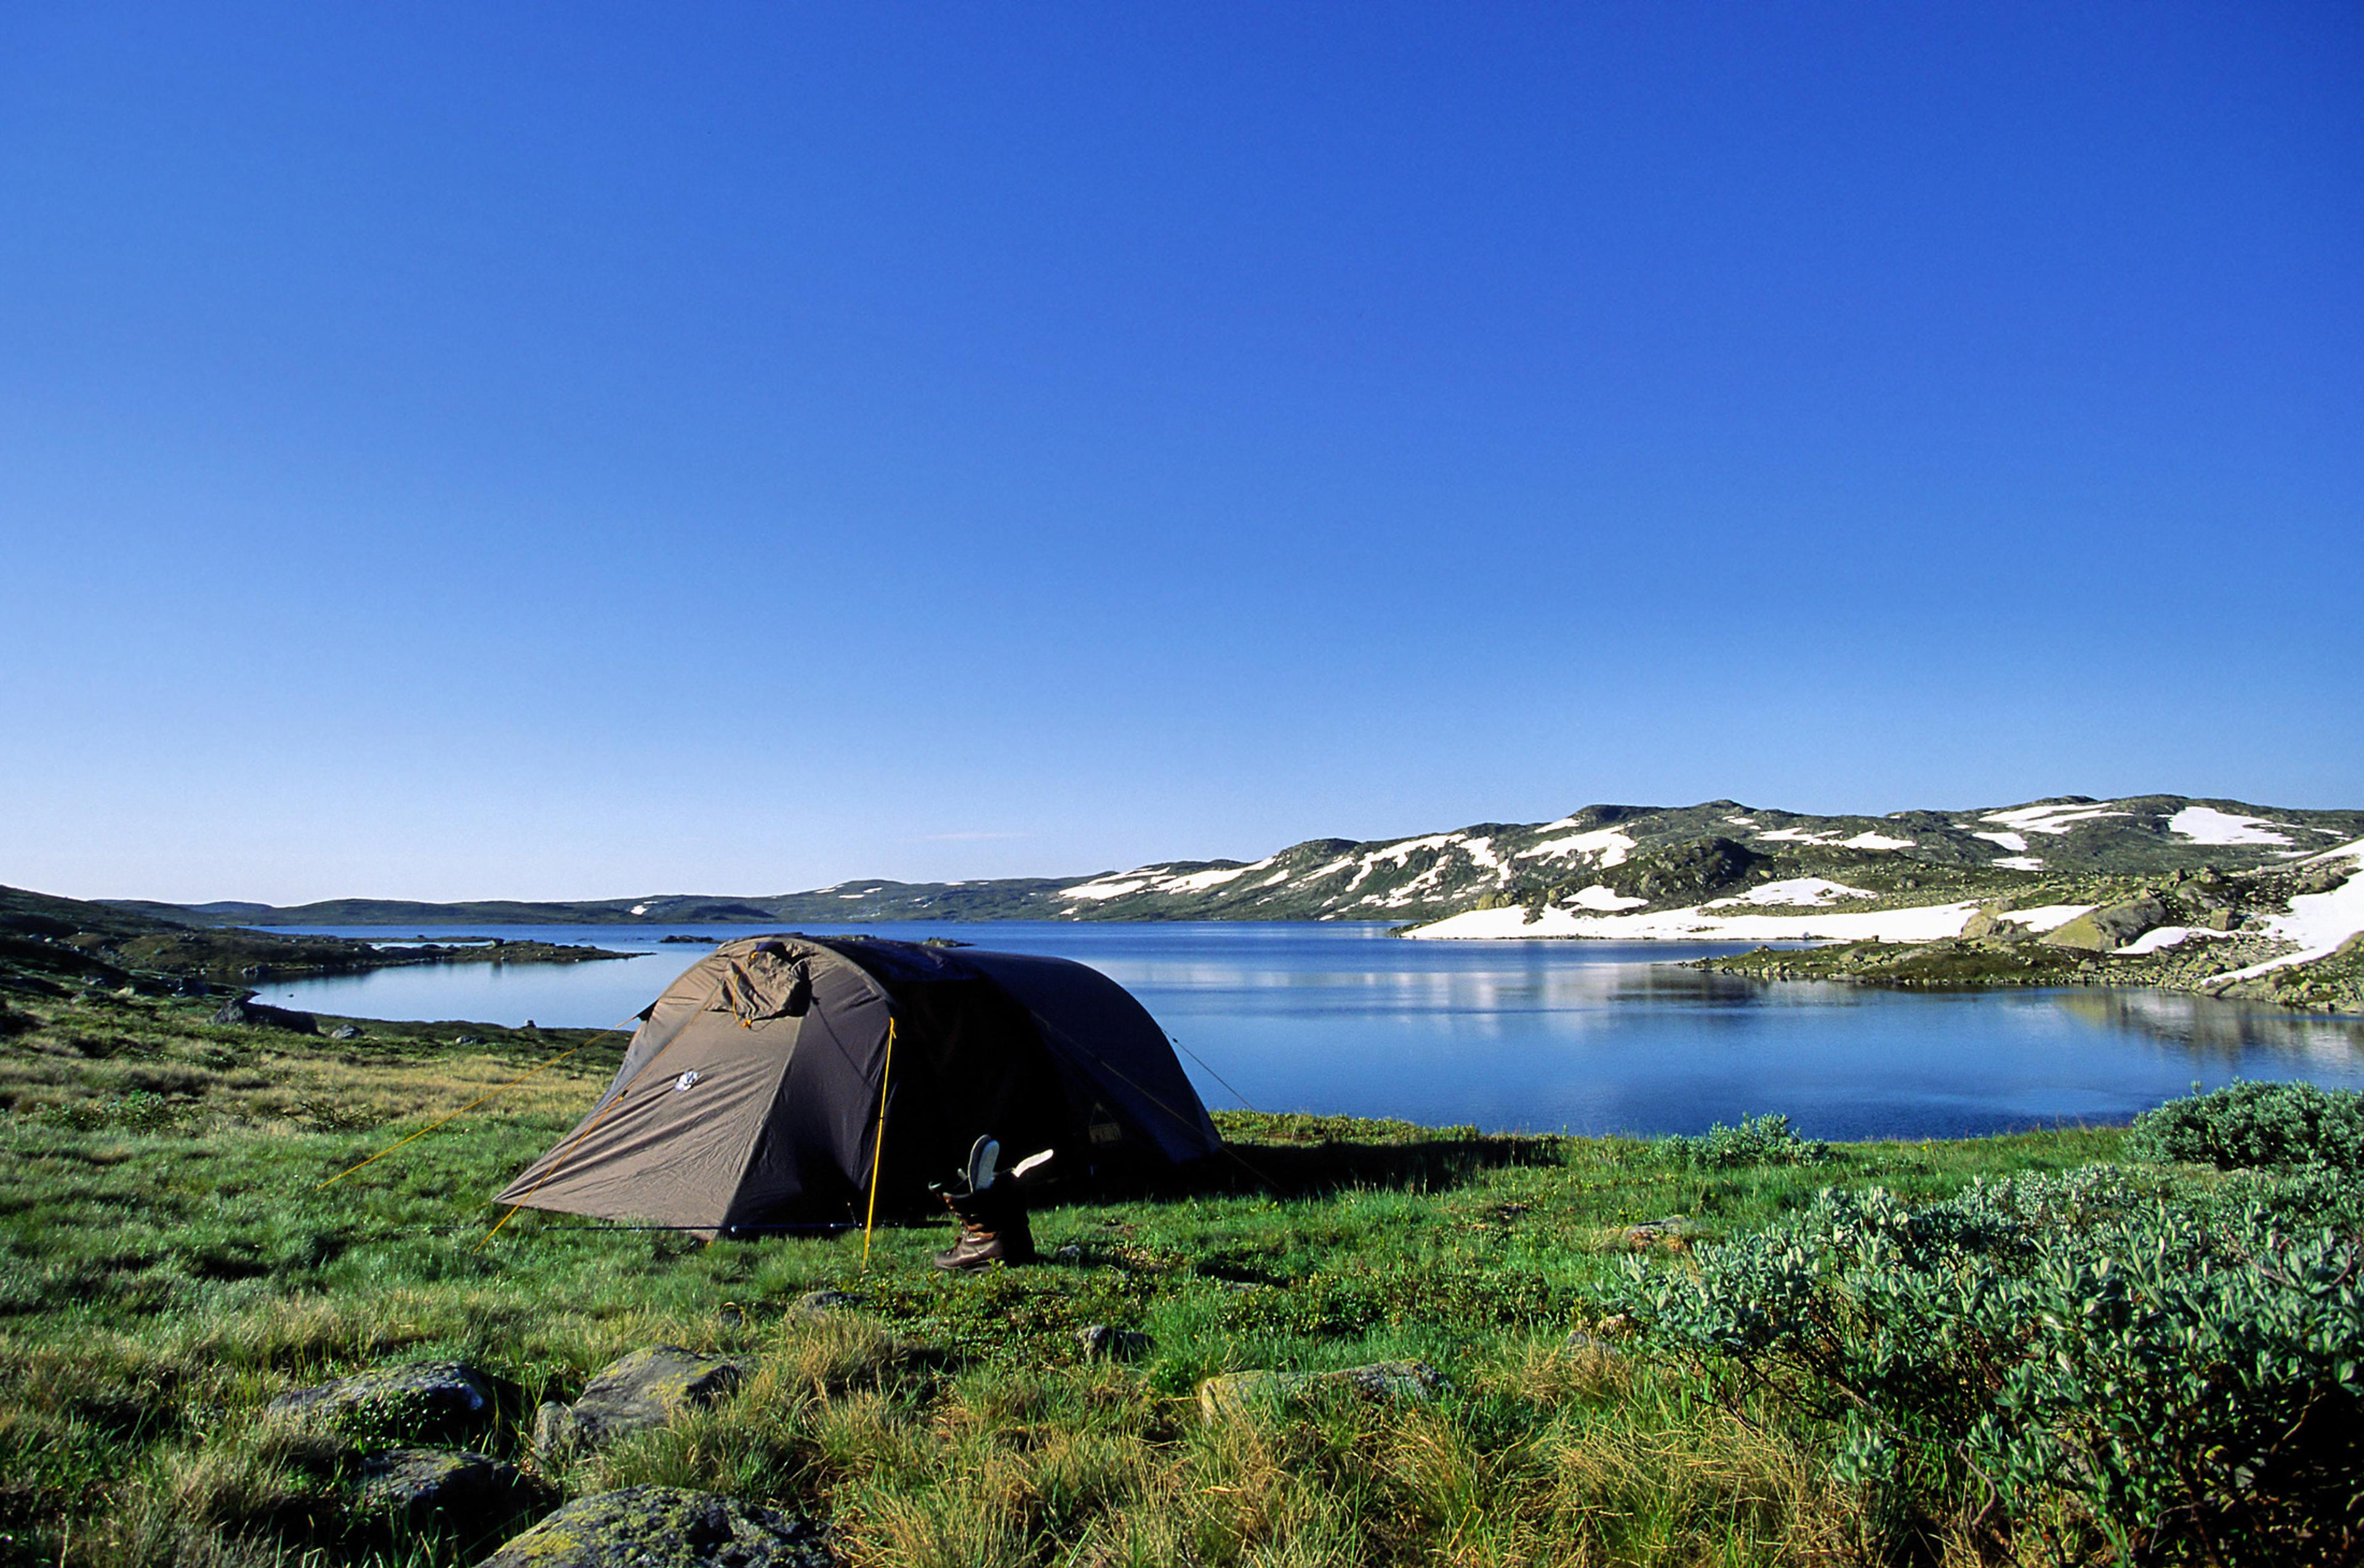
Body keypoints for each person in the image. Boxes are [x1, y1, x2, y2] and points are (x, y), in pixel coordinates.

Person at [932, 1136, 1046, 1271]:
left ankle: (982, 1245)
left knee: (990, 1192)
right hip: (1022, 1244)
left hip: (993, 1246)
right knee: (1006, 1189)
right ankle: (1018, 1246)